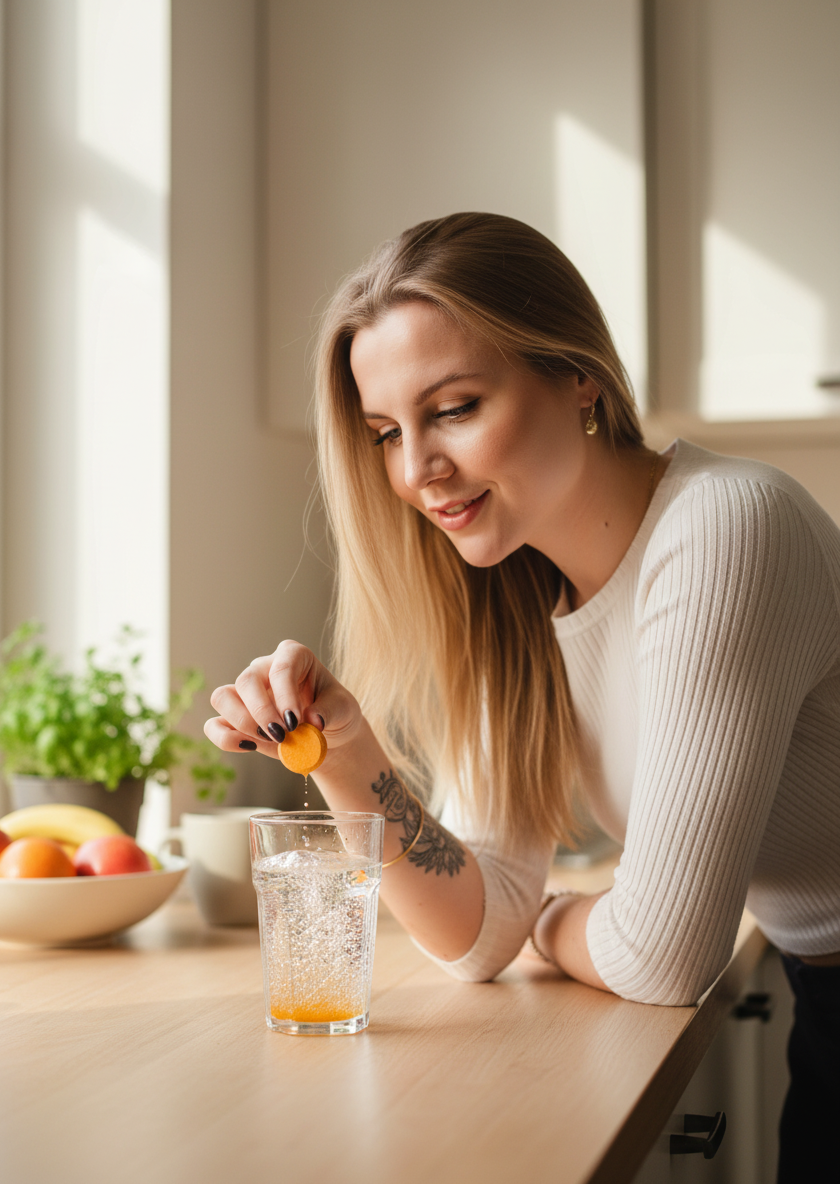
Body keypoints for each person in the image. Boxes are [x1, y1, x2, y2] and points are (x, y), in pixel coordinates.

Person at [205, 213, 840, 1180]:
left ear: (576, 374)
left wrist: (554, 919)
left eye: (454, 408)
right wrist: (349, 759)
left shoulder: (723, 530)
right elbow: (478, 928)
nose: (417, 471)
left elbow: (661, 957)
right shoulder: (518, 590)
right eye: (387, 432)